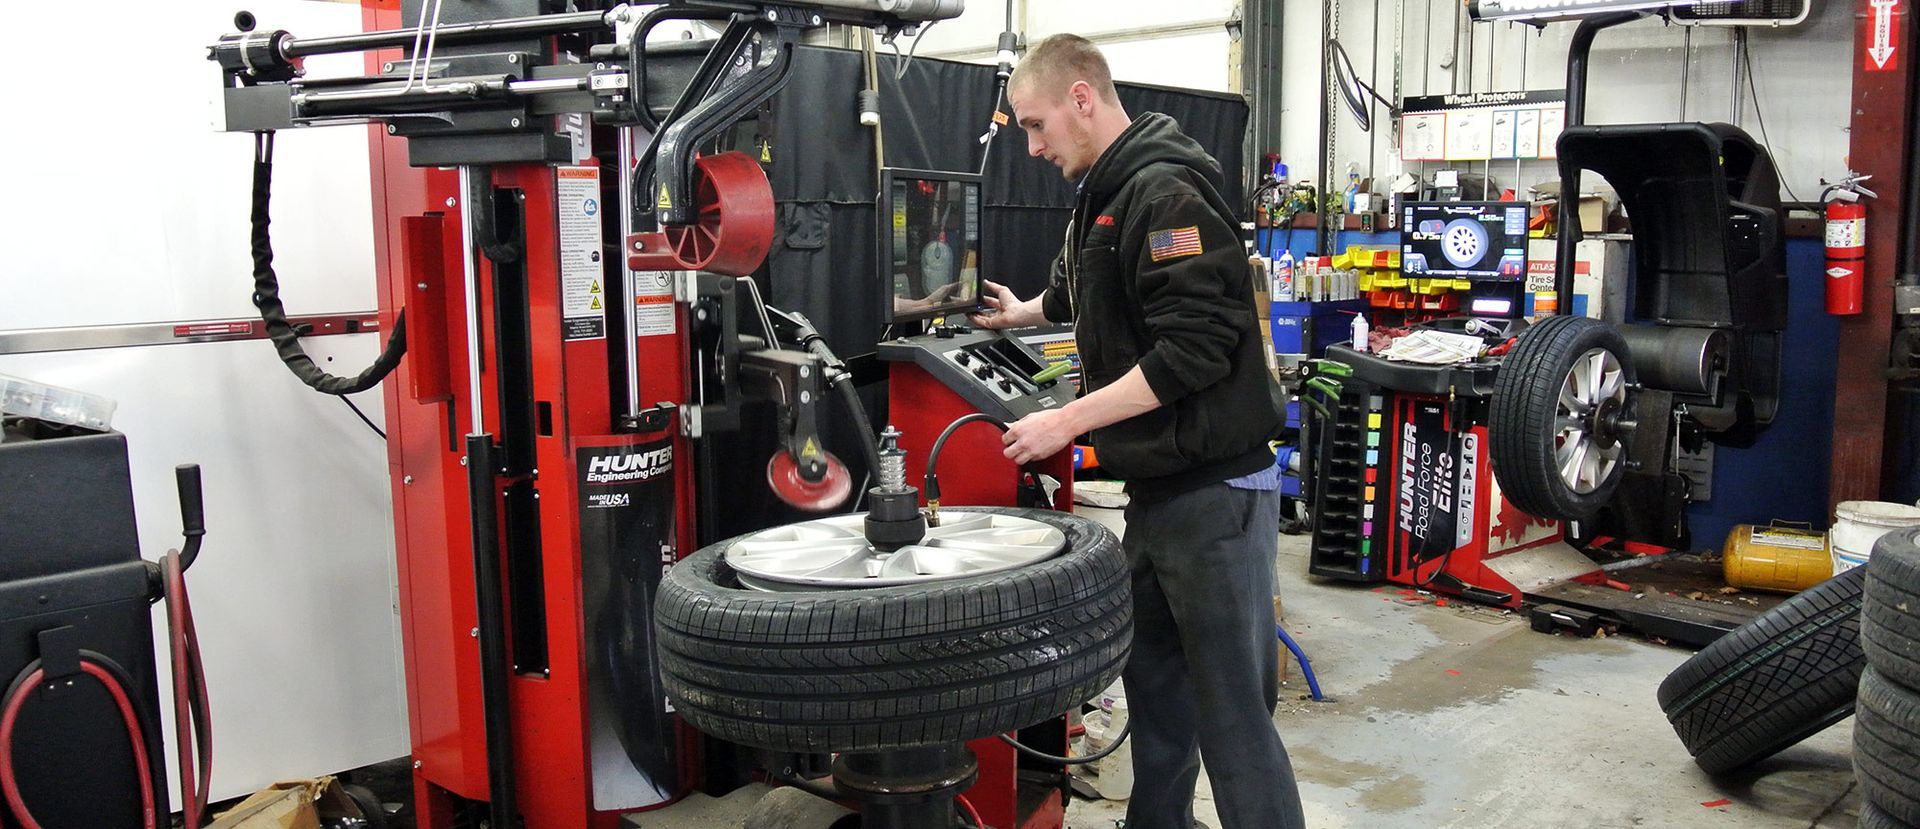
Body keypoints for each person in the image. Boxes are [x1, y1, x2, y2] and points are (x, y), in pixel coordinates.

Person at [967, 34, 1306, 829]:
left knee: (1232, 719)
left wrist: (1069, 418)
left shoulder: (1168, 193)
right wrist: (1024, 313)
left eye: (1037, 123)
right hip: (1159, 493)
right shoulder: (1104, 192)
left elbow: (1196, 347)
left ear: (1083, 98)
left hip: (1215, 493)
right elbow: (1083, 290)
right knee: (1156, 694)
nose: (1033, 144)